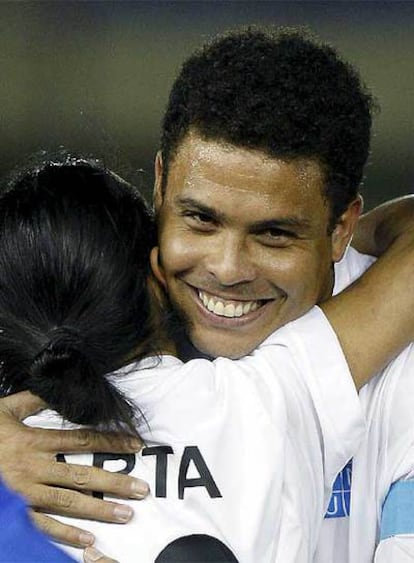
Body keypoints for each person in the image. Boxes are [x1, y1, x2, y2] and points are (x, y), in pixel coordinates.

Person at [0, 26, 412, 559]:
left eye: (273, 233)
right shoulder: (82, 322)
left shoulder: (396, 365)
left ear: (339, 229)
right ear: (160, 187)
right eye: (199, 219)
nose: (226, 269)